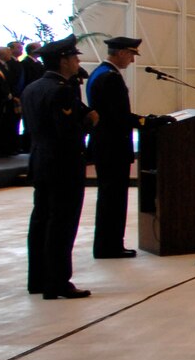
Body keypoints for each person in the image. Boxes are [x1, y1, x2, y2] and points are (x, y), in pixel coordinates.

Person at [21, 37, 97, 298]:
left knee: (41, 220)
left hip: (40, 161)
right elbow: (67, 132)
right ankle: (58, 282)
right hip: (63, 164)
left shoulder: (32, 88)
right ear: (63, 60)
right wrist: (88, 123)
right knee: (62, 224)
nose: (77, 62)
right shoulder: (62, 90)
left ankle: (38, 279)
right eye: (75, 58)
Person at [85, 36, 147, 259]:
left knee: (109, 196)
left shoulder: (99, 73)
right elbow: (117, 116)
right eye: (131, 55)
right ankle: (109, 245)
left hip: (104, 144)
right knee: (113, 198)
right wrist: (144, 122)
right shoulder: (110, 78)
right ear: (120, 53)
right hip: (112, 145)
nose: (132, 60)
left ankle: (107, 243)